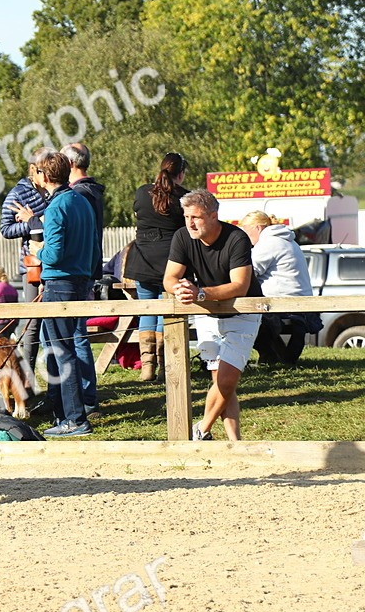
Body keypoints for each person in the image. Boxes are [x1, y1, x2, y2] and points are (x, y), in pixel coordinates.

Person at [163, 189, 262, 442]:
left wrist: (200, 293)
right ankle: (234, 442)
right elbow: (169, 278)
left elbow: (239, 285)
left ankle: (201, 429)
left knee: (227, 380)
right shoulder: (183, 237)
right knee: (222, 383)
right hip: (208, 313)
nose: (190, 223)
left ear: (213, 215)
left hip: (242, 312)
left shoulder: (237, 238)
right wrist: (180, 290)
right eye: (186, 217)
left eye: (195, 217)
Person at [32, 151, 96, 437]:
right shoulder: (81, 201)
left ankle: (74, 418)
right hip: (80, 281)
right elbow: (94, 247)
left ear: (45, 176)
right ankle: (65, 412)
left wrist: (38, 253)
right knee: (68, 348)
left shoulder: (57, 207)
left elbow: (54, 254)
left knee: (62, 351)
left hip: (60, 284)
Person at [124, 153, 189, 381]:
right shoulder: (184, 198)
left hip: (142, 258)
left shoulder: (142, 192)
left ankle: (147, 368)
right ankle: (164, 367)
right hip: (172, 261)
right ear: (180, 173)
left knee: (146, 310)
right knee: (167, 310)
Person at [239, 210, 319, 364]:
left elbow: (248, 271)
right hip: (299, 302)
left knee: (242, 317)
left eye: (246, 232)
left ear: (257, 228)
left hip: (282, 303)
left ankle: (271, 356)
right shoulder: (286, 240)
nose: (245, 238)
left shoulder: (269, 243)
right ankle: (277, 357)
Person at [0, 150, 51, 381]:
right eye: (44, 168)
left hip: (57, 261)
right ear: (34, 168)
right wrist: (33, 225)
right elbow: (5, 229)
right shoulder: (18, 194)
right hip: (34, 267)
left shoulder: (53, 190)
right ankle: (26, 380)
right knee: (32, 324)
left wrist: (36, 221)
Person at [61, 142, 103, 414]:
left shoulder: (80, 194)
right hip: (85, 268)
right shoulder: (91, 191)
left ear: (72, 164)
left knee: (76, 334)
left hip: (77, 271)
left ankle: (86, 398)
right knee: (75, 333)